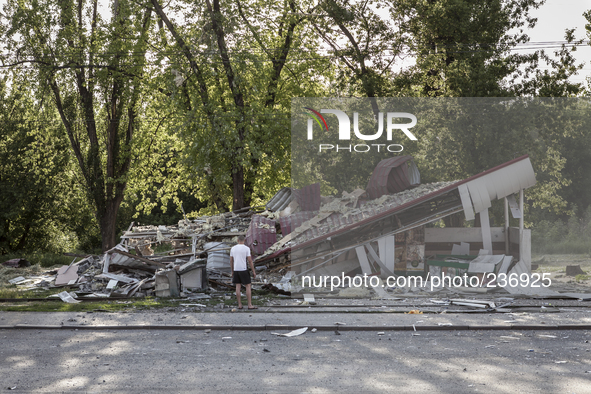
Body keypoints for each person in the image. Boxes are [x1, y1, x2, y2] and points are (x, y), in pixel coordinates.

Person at [230, 235, 257, 309]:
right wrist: (253, 271)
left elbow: (231, 261)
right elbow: (250, 261)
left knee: (237, 286)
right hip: (244, 269)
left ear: (237, 240)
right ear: (244, 240)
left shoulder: (233, 248)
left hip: (236, 269)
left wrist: (232, 271)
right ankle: (249, 305)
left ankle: (239, 304)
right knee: (248, 286)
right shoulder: (246, 248)